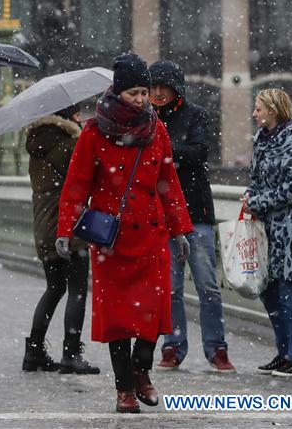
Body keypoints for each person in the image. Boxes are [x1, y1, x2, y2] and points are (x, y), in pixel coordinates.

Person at [56, 53, 192, 413]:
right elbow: (75, 186)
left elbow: (168, 183)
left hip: (150, 235)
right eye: (134, 92)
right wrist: (65, 230)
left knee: (153, 315)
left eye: (145, 92)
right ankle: (124, 390)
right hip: (112, 240)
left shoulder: (156, 129)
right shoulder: (94, 132)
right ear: (118, 92)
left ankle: (141, 368)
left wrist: (180, 230)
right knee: (118, 320)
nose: (142, 99)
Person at [148, 60, 235, 373]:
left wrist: (165, 148)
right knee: (169, 288)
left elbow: (199, 153)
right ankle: (173, 345)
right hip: (161, 215)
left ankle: (216, 348)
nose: (157, 93)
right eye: (153, 87)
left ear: (176, 89)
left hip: (195, 211)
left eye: (163, 87)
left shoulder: (195, 115)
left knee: (207, 285)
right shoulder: (146, 118)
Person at [244, 88, 292, 378]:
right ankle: (283, 351)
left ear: (273, 111)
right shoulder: (262, 139)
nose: (254, 114)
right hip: (267, 227)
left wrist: (258, 201)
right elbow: (257, 178)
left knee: (289, 290)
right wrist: (251, 195)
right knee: (269, 290)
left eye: (259, 109)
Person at [23, 104, 99, 375]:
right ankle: (71, 353)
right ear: (68, 118)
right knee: (77, 289)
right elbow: (90, 177)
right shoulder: (70, 145)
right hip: (69, 226)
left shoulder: (36, 143)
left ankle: (33, 351)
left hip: (43, 225)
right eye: (78, 115)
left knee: (54, 288)